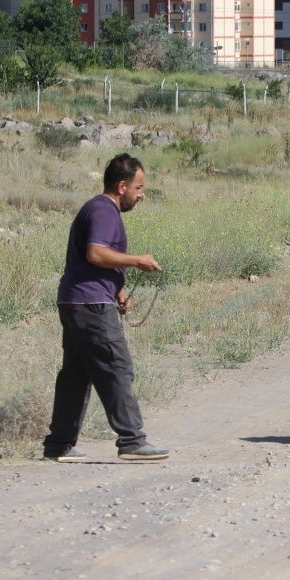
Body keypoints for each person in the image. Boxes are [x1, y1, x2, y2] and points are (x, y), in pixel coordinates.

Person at [43, 154, 170, 463]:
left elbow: (96, 262)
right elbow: (96, 253)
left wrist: (119, 289)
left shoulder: (98, 209)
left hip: (78, 300)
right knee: (117, 366)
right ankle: (132, 439)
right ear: (122, 185)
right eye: (139, 188)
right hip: (90, 305)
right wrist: (138, 260)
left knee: (76, 373)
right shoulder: (103, 210)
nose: (141, 195)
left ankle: (59, 444)